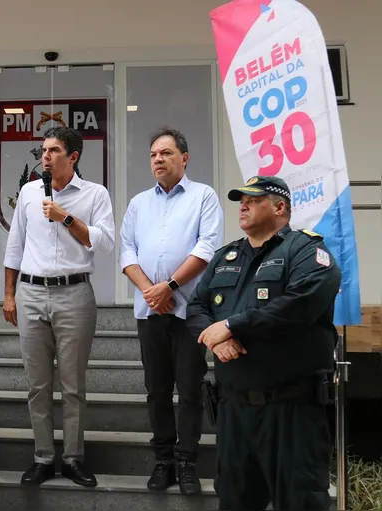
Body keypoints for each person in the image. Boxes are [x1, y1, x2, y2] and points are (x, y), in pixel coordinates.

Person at [186, 176, 340, 510]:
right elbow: (196, 307)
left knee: (300, 501)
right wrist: (215, 339)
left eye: (253, 200)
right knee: (236, 500)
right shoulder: (226, 256)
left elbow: (299, 306)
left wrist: (229, 325)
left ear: (280, 207)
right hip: (232, 412)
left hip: (291, 412)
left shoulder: (305, 250)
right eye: (241, 200)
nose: (243, 205)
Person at [3, 126, 115, 488]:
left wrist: (66, 217)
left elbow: (106, 243)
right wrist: (9, 294)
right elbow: (14, 245)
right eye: (44, 151)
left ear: (73, 157)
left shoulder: (95, 194)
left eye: (53, 151)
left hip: (74, 293)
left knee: (72, 385)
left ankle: (73, 458)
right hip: (31, 293)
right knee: (38, 385)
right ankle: (42, 458)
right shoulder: (28, 192)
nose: (45, 157)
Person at [119, 127, 223, 495]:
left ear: (184, 157)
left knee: (190, 389)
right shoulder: (138, 203)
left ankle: (187, 461)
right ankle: (164, 460)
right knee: (157, 389)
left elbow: (207, 247)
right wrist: (151, 291)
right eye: (153, 155)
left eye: (165, 153)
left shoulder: (203, 197)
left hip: (189, 311)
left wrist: (171, 287)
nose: (158, 160)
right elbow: (127, 252)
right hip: (150, 310)